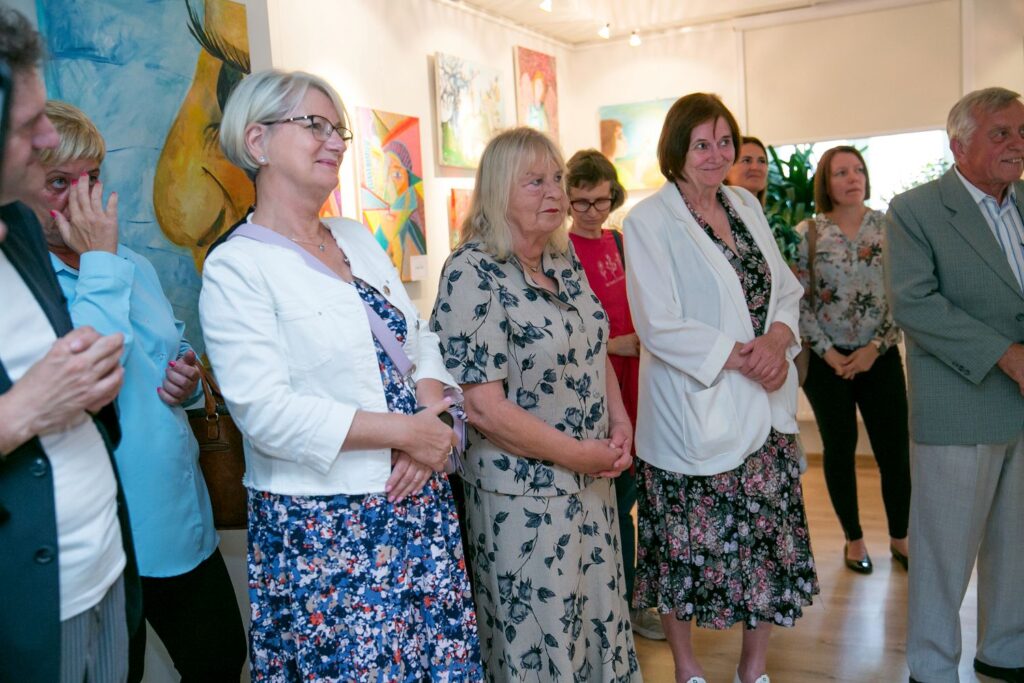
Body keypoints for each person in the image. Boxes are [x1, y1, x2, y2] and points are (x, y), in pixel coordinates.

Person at [199, 69, 481, 681]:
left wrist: (428, 420)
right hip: (327, 530)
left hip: (416, 503)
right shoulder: (236, 267)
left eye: (339, 130)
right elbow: (265, 413)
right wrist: (406, 433)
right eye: (314, 125)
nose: (336, 142)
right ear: (257, 141)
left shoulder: (355, 237)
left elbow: (418, 337)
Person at [23, 100, 246, 682]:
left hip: (178, 518)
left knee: (220, 660)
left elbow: (171, 351)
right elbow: (82, 383)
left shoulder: (133, 266)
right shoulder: (23, 284)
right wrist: (98, 262)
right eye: (60, 182)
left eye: (92, 179)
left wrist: (188, 381)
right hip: (99, 539)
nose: (82, 199)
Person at [430, 127, 640, 682]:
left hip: (591, 483)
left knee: (598, 627)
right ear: (498, 190)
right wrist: (579, 454)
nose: (555, 192)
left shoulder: (562, 258)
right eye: (535, 181)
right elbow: (484, 408)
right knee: (540, 644)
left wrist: (620, 423)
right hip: (523, 500)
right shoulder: (471, 272)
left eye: (557, 179)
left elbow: (593, 347)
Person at [624, 93, 819, 683]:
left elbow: (785, 289)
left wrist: (778, 339)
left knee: (766, 546)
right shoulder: (647, 221)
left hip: (763, 405)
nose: (716, 155)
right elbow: (658, 323)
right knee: (680, 549)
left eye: (725, 142)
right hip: (692, 411)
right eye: (701, 144)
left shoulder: (745, 204)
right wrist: (746, 357)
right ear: (676, 149)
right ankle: (686, 668)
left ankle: (752, 669)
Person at [0, 8, 141, 682]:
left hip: (104, 568)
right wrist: (22, 410)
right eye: (28, 125)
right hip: (25, 607)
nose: (48, 136)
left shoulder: (19, 231)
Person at [886, 86, 1024, 683]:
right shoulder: (915, 210)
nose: (1017, 144)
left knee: (1016, 544)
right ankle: (933, 666)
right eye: (1002, 133)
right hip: (959, 406)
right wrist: (1007, 357)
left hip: (1021, 406)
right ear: (959, 145)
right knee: (943, 554)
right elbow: (914, 303)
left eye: (1022, 132)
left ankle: (1006, 651)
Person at [565, 148, 665, 643]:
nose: (592, 212)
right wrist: (614, 344)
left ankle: (641, 598)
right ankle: (623, 605)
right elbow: (563, 333)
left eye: (601, 201)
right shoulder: (559, 251)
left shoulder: (620, 242)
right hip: (601, 388)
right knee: (617, 501)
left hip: (642, 384)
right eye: (581, 202)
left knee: (647, 499)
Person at [796, 145, 910, 575]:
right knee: (839, 450)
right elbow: (798, 299)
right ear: (825, 183)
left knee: (893, 452)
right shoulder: (807, 232)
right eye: (840, 172)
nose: (852, 178)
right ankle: (854, 539)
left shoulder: (890, 227)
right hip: (826, 364)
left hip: (878, 356)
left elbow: (905, 292)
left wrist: (874, 348)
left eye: (858, 169)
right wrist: (828, 353)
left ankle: (901, 537)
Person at [725, 136, 770, 205]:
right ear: (725, 170)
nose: (755, 167)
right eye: (746, 160)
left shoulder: (757, 211)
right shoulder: (715, 210)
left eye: (762, 161)